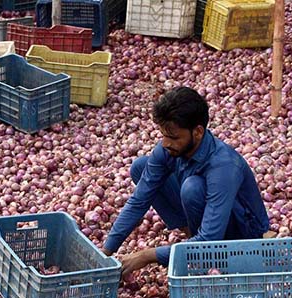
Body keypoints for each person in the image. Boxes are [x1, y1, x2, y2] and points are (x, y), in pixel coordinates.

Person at [102, 87, 271, 276]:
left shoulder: (224, 166)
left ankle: (202, 254)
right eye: (163, 135)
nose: (165, 143)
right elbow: (139, 201)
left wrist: (146, 256)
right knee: (141, 167)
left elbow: (210, 238)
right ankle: (192, 241)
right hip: (208, 220)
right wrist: (106, 252)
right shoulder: (168, 148)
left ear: (198, 132)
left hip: (243, 235)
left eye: (173, 137)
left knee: (193, 188)